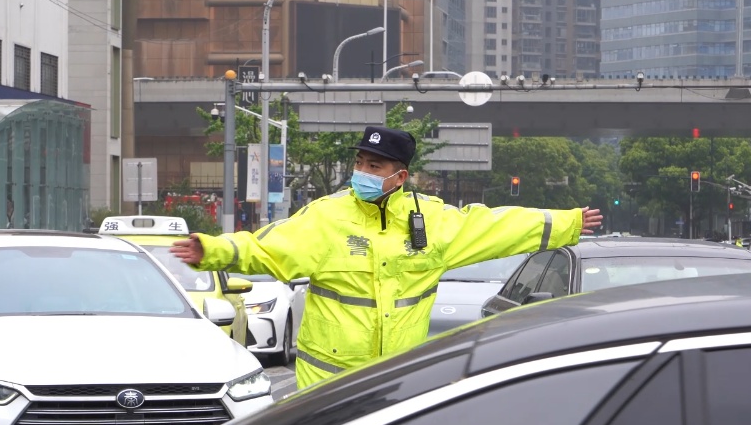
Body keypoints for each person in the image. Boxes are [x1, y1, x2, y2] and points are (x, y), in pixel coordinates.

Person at [171, 125, 603, 389]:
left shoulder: (431, 221)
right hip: (328, 383)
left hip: (397, 380)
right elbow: (265, 247)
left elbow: (494, 226)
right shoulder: (326, 216)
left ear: (400, 176)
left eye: (374, 166)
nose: (362, 172)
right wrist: (212, 250)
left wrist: (566, 222)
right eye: (360, 162)